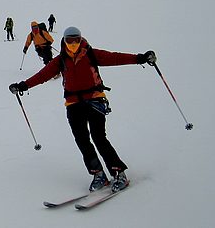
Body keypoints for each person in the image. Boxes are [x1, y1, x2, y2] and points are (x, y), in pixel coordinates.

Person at [9, 26, 156, 193]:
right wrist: (23, 85)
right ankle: (98, 174)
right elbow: (43, 75)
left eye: (76, 40)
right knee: (82, 140)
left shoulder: (91, 53)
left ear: (81, 39)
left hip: (95, 100)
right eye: (69, 40)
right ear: (64, 41)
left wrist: (140, 58)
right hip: (73, 104)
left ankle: (118, 172)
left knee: (98, 137)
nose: (73, 43)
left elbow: (115, 58)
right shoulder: (60, 60)